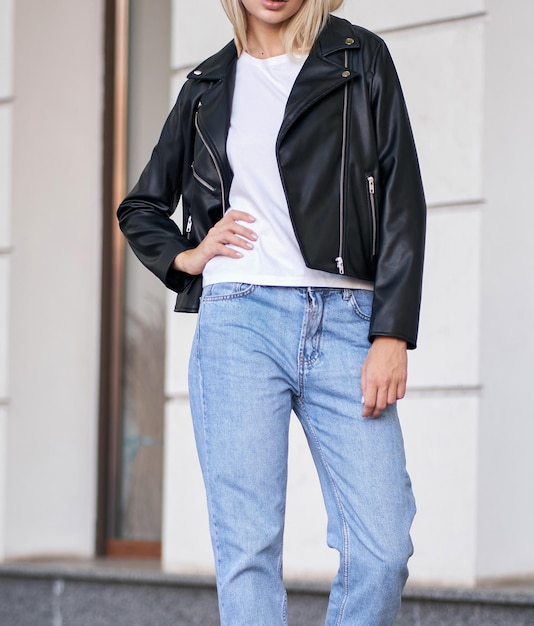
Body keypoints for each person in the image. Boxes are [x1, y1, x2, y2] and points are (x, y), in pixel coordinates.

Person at [118, 0, 426, 623]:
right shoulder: (207, 84)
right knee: (248, 551)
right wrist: (190, 254)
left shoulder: (357, 58)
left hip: (345, 320)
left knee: (383, 546)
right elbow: (142, 206)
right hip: (239, 322)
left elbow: (401, 197)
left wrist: (392, 332)